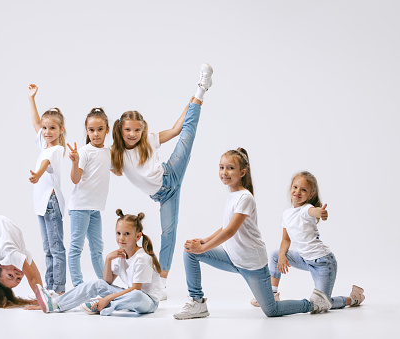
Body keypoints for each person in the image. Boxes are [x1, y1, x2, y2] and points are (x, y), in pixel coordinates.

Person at [173, 149, 332, 320]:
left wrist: (203, 247)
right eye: (221, 167)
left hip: (252, 264)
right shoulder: (233, 196)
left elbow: (230, 231)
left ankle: (313, 304)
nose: (224, 172)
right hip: (232, 258)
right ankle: (197, 302)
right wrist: (204, 240)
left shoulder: (245, 197)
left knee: (272, 310)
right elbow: (226, 226)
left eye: (230, 168)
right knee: (190, 252)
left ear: (242, 172)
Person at [110, 64, 213, 298]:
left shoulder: (149, 140)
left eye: (137, 129)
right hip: (165, 195)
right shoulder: (115, 154)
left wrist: (191, 103)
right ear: (120, 129)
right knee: (169, 234)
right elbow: (102, 164)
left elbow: (176, 129)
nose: (133, 134)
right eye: (128, 130)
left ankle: (201, 90)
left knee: (187, 134)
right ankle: (162, 284)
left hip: (171, 174)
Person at [250, 171, 365, 309]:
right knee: (275, 254)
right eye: (295, 187)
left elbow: (313, 211)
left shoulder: (306, 209)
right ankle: (273, 294)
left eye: (303, 190)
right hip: (305, 259)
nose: (298, 192)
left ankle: (354, 299)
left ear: (310, 195)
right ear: (290, 188)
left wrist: (320, 212)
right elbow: (286, 240)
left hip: (323, 262)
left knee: (321, 304)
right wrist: (282, 256)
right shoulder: (286, 214)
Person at [33, 209, 162, 316]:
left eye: (127, 234)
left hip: (147, 302)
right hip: (129, 297)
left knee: (136, 295)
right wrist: (108, 259)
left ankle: (103, 304)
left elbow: (136, 289)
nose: (121, 238)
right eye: (118, 233)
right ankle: (55, 303)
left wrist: (107, 298)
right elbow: (106, 282)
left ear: (138, 236)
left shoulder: (142, 258)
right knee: (97, 283)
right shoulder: (120, 254)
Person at [28, 84, 67, 294]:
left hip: (51, 202)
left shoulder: (57, 149)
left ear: (61, 130)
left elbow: (45, 164)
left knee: (56, 248)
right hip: (41, 203)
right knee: (47, 249)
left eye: (52, 128)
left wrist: (37, 175)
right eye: (45, 128)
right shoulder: (44, 144)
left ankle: (58, 289)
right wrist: (31, 99)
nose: (47, 132)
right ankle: (50, 287)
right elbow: (35, 121)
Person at [66, 108, 111, 287]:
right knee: (76, 248)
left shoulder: (108, 152)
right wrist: (75, 162)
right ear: (86, 131)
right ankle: (78, 286)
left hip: (95, 208)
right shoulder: (84, 152)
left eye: (100, 129)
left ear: (107, 130)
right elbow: (75, 179)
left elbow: (119, 170)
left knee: (97, 250)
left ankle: (105, 284)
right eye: (91, 130)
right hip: (80, 207)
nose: (95, 134)